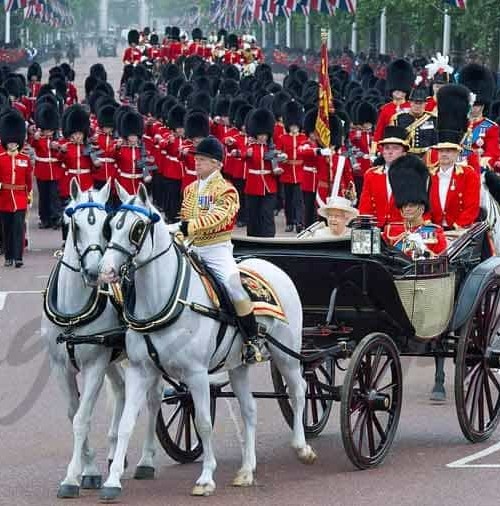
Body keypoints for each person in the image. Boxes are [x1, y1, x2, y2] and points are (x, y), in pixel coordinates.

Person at [177, 136, 264, 364]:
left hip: (216, 250)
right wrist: (179, 233)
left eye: (203, 160)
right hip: (192, 248)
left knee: (235, 289)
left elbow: (218, 218)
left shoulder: (227, 191)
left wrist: (189, 227)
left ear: (217, 164)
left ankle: (252, 340)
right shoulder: (190, 189)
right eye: (196, 159)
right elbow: (185, 216)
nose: (197, 163)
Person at [428, 84, 480, 229]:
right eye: (442, 150)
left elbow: (472, 199)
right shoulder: (431, 155)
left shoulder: (469, 154)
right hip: (434, 227)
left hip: (459, 226)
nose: (444, 153)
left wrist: (457, 227)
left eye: (449, 150)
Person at [383, 154, 447, 258]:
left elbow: (441, 259)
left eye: (411, 205)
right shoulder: (390, 230)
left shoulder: (434, 232)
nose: (407, 209)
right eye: (404, 205)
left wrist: (425, 252)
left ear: (421, 208)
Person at [358, 126, 409, 227]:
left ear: (404, 153)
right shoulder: (371, 174)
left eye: (395, 148)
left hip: (402, 229)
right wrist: (365, 226)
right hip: (376, 227)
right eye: (387, 148)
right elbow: (365, 205)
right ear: (382, 152)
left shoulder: (412, 175)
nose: (390, 152)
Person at [0, 110, 32, 268]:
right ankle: (8, 256)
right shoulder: (1, 159)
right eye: (10, 142)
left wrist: (29, 195)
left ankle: (18, 257)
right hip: (4, 198)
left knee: (19, 229)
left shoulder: (24, 159)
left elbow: (28, 180)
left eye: (14, 142)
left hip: (19, 198)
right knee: (7, 229)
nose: (12, 144)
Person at [459, 63, 500, 171]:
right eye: (472, 105)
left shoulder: (491, 127)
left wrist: (481, 164)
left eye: (478, 105)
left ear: (483, 105)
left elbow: (491, 153)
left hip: (478, 170)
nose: (474, 108)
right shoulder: (458, 122)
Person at [373, 59, 413, 143]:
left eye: (402, 90)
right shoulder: (385, 109)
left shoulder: (412, 107)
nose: (398, 92)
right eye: (396, 90)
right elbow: (378, 133)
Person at [391, 84, 437, 157]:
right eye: (415, 103)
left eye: (420, 103)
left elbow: (435, 141)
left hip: (426, 157)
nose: (417, 106)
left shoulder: (433, 119)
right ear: (410, 103)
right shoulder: (399, 118)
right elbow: (395, 141)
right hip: (406, 156)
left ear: (425, 104)